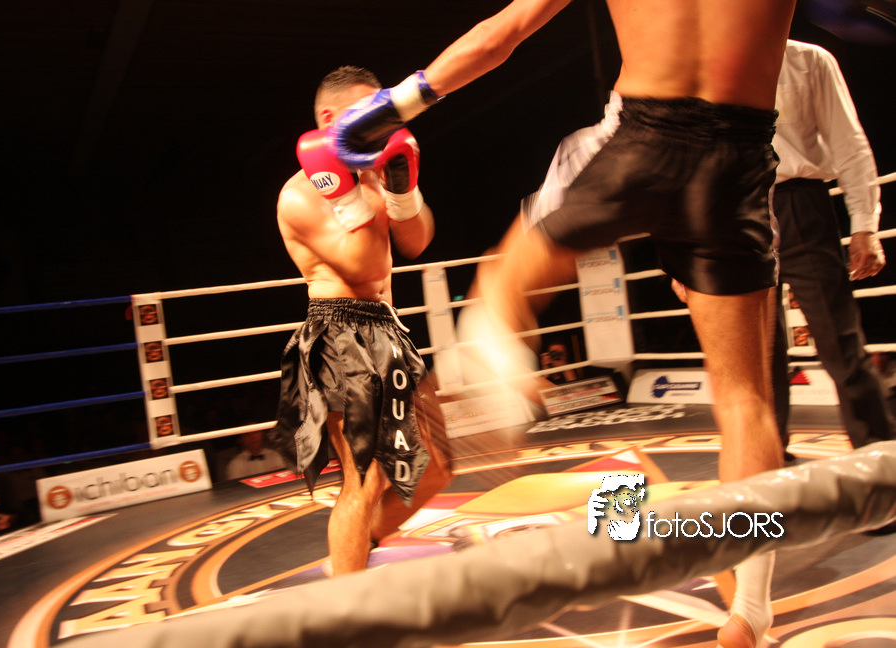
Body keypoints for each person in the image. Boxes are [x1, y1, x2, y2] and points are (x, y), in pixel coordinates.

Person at [328, 2, 796, 646]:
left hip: (645, 135)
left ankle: (496, 346)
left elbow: (502, 35)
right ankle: (752, 606)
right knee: (748, 402)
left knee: (503, 283)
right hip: (736, 161)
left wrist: (396, 105)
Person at [270, 66, 454, 576]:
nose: (380, 121)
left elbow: (416, 241)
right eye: (367, 112)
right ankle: (349, 602)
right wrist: (353, 194)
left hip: (387, 329)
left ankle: (361, 544)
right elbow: (366, 265)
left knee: (437, 466)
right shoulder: (301, 193)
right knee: (364, 479)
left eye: (383, 110)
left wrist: (401, 185)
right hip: (339, 333)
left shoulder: (377, 170)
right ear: (330, 119)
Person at [770, 39, 894, 454]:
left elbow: (848, 141)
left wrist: (865, 224)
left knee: (840, 338)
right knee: (755, 353)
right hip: (729, 212)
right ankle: (765, 461)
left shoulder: (807, 60)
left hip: (799, 203)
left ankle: (879, 456)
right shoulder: (697, 58)